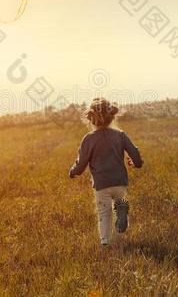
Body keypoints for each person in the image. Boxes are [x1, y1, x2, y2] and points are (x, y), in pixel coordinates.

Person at [69, 98, 144, 246]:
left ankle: (105, 242)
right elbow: (134, 152)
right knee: (120, 200)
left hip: (101, 184)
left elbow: (82, 163)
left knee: (104, 213)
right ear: (111, 117)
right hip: (119, 180)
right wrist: (137, 163)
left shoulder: (88, 139)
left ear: (91, 119)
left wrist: (73, 171)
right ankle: (121, 207)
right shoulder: (120, 135)